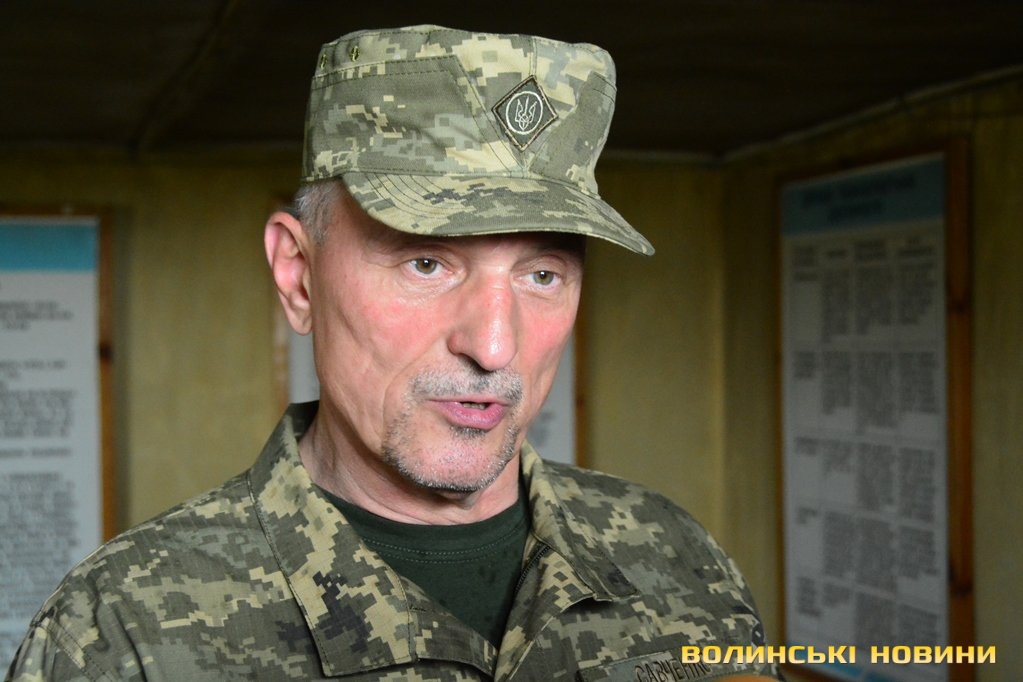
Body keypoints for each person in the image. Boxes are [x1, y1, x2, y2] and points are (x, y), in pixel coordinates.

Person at [6, 25, 781, 681]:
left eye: (541, 274)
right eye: (426, 263)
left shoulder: (672, 555)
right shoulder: (122, 632)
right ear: (298, 276)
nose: (493, 345)